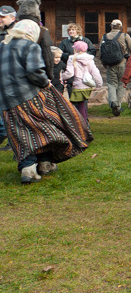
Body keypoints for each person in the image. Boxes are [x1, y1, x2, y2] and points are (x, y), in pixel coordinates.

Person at [0, 19, 93, 184]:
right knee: (46, 127)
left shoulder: (2, 46)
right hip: (29, 96)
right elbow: (34, 72)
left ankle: (29, 169)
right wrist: (45, 83)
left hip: (7, 101)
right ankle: (44, 163)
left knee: (21, 133)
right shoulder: (30, 46)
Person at [100, 19, 131, 116]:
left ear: (111, 26)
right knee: (121, 84)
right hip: (122, 63)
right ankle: (118, 106)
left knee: (112, 84)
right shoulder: (124, 36)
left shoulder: (105, 36)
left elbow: (100, 51)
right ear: (120, 26)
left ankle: (113, 102)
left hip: (110, 65)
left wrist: (104, 63)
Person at [62, 41, 103, 123]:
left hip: (77, 85)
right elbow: (95, 73)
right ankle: (84, 122)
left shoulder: (72, 58)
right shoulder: (90, 59)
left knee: (75, 106)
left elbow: (70, 73)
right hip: (87, 86)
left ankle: (80, 123)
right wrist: (99, 85)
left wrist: (61, 77)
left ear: (76, 50)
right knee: (83, 104)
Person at [16, 0, 53, 81]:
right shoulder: (41, 31)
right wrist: (49, 76)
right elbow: (47, 55)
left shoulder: (12, 30)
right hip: (33, 75)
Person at [0, 5, 16, 150]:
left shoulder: (18, 35)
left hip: (13, 80)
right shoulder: (1, 34)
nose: (0, 19)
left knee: (13, 113)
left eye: (3, 16)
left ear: (13, 18)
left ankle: (12, 142)